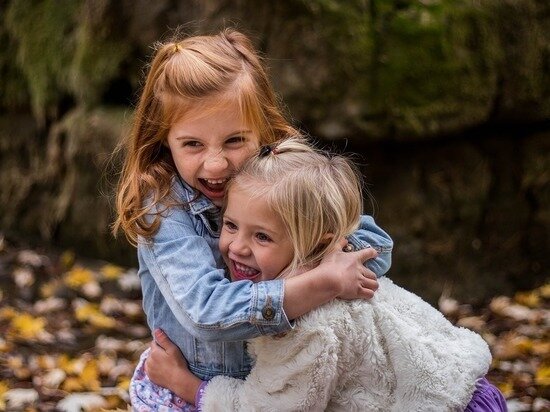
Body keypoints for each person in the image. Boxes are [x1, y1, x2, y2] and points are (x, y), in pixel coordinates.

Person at [112, 29, 393, 410]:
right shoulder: (164, 207)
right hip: (190, 389)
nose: (216, 164)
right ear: (163, 139)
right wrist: (318, 282)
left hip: (279, 385)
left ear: (263, 130)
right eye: (193, 144)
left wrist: (320, 264)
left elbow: (375, 248)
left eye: (234, 141)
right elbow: (207, 312)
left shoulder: (280, 181)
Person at [146, 138, 507, 411]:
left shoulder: (307, 325)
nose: (237, 247)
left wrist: (185, 384)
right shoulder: (339, 270)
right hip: (460, 386)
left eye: (262, 237)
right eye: (230, 225)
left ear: (318, 243)